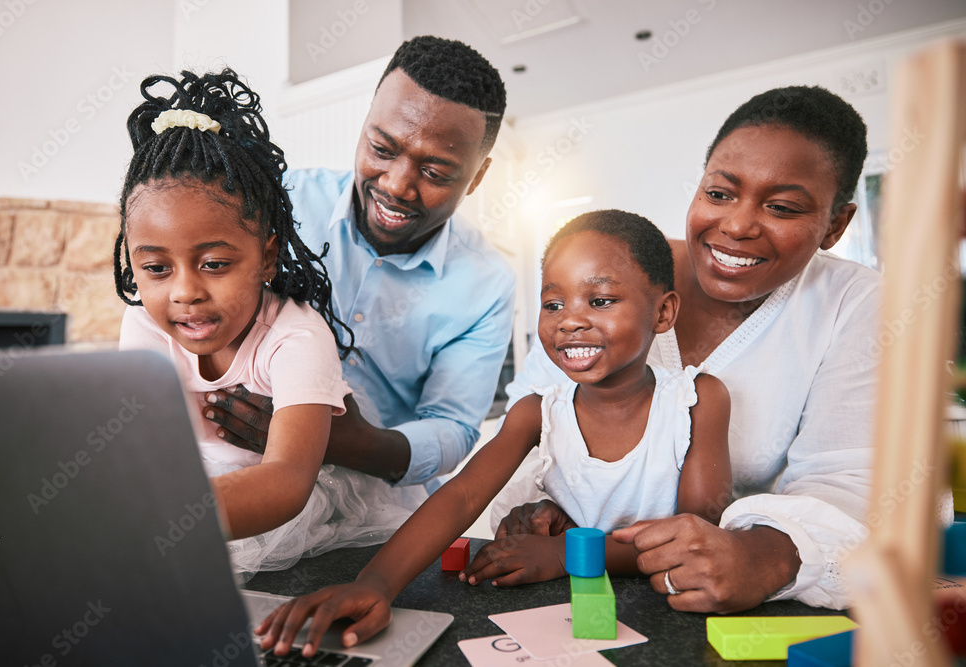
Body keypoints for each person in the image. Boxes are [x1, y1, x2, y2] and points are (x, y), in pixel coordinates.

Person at [254, 209, 732, 658]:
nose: (570, 319)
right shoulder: (536, 412)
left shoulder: (697, 400)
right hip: (563, 615)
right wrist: (376, 583)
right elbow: (462, 495)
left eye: (601, 300)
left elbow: (695, 536)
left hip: (667, 610)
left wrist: (565, 553)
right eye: (553, 303)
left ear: (664, 313)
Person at [490, 85, 882, 613]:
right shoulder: (609, 277)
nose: (738, 225)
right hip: (574, 590)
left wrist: (764, 555)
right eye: (719, 194)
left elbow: (856, 481)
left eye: (783, 207)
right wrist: (540, 505)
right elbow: (530, 432)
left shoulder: (856, 304)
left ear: (835, 225)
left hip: (724, 603)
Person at [114, 68, 423, 575]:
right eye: (155, 268)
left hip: (285, 494)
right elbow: (143, 448)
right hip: (190, 483)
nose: (185, 291)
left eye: (214, 264)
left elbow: (286, 481)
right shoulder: (144, 326)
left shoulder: (296, 337)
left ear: (267, 258)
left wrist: (162, 519)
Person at [201, 36, 516, 495]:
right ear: (365, 125)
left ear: (477, 177)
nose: (397, 186)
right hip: (240, 463)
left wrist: (334, 441)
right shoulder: (280, 202)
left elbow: (452, 427)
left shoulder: (487, 283)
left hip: (379, 495)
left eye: (435, 173)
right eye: (383, 149)